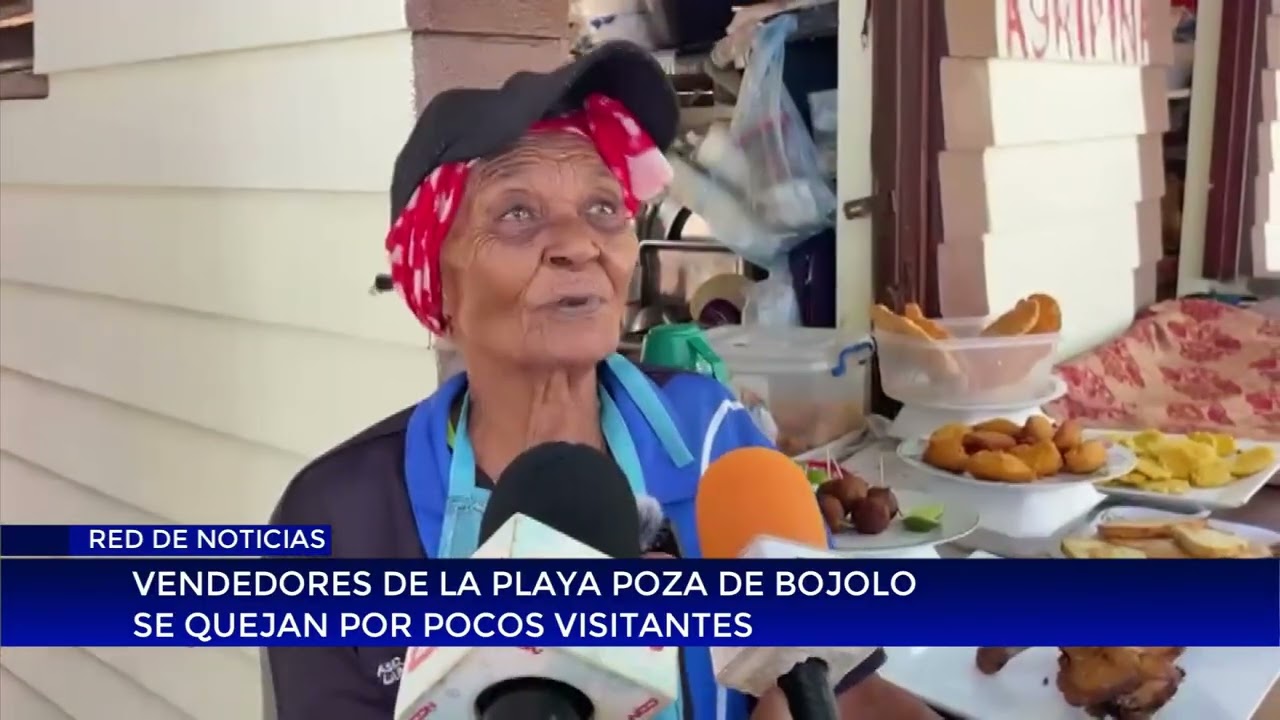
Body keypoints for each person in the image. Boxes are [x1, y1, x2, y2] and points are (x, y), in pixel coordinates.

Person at [264, 41, 941, 720]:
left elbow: (849, 696)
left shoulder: (714, 438)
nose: (579, 243)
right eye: (517, 213)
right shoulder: (341, 519)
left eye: (602, 208)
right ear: (436, 281)